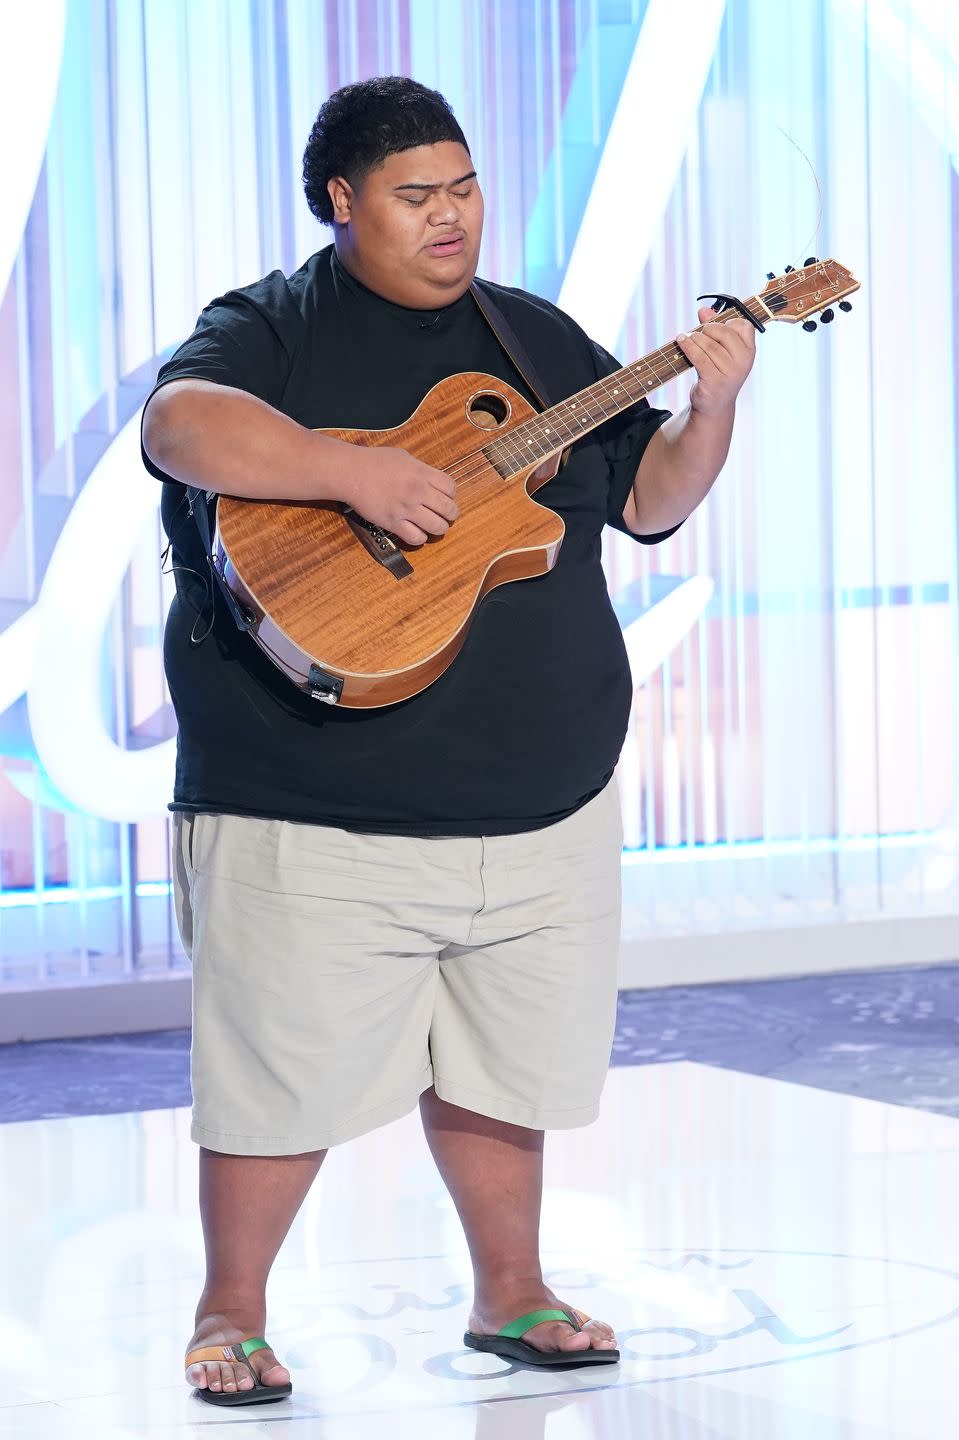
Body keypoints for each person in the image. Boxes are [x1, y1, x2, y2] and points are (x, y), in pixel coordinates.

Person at [141, 75, 756, 1406]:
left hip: (541, 802)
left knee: (505, 1063)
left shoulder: (535, 340)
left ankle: (513, 1292)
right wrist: (353, 471)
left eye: (465, 189)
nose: (451, 218)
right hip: (311, 802)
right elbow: (179, 427)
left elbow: (647, 502)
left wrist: (710, 408)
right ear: (340, 203)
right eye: (417, 196)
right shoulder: (274, 327)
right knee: (274, 1075)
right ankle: (230, 1311)